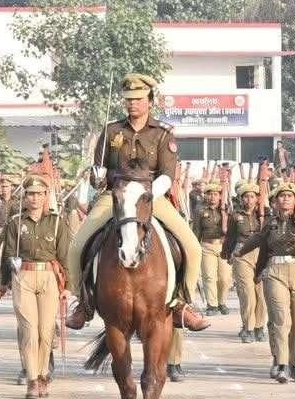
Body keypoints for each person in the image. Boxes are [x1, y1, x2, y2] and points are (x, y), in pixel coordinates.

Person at [64, 73, 209, 332]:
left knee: (192, 247)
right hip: (115, 196)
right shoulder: (111, 131)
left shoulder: (163, 134)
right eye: (129, 99)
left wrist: (149, 194)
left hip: (150, 196)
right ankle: (82, 303)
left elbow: (167, 173)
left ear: (150, 101)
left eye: (138, 99)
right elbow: (99, 171)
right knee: (76, 247)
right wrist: (96, 175)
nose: (132, 104)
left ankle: (182, 304)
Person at [235, 179, 295, 383]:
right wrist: (242, 252)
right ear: (275, 201)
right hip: (275, 272)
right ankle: (281, 363)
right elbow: (260, 243)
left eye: (290, 196)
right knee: (281, 320)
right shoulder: (270, 223)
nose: (286, 199)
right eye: (282, 196)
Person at [0, 174, 70, 399]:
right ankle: (32, 379)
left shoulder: (57, 221)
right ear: (24, 197)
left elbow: (65, 255)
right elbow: (8, 254)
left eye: (39, 194)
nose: (34, 198)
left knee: (46, 330)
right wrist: (3, 282)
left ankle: (44, 374)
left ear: (46, 196)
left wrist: (69, 285)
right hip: (23, 277)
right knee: (29, 330)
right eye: (30, 194)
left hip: (49, 277)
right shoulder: (16, 222)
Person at [223, 181, 267, 343]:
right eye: (246, 197)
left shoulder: (265, 214)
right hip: (242, 254)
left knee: (260, 293)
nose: (249, 200)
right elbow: (230, 237)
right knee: (247, 292)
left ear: (257, 198)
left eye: (252, 196)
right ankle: (248, 327)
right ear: (241, 199)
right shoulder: (235, 216)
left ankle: (259, 326)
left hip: (261, 253)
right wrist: (226, 253)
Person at [192, 181, 231, 316]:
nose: (212, 197)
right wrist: (194, 248)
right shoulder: (200, 210)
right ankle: (212, 304)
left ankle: (222, 302)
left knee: (224, 278)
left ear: (220, 196)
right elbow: (196, 230)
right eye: (209, 194)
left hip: (223, 246)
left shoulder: (226, 209)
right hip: (207, 245)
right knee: (209, 276)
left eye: (215, 194)